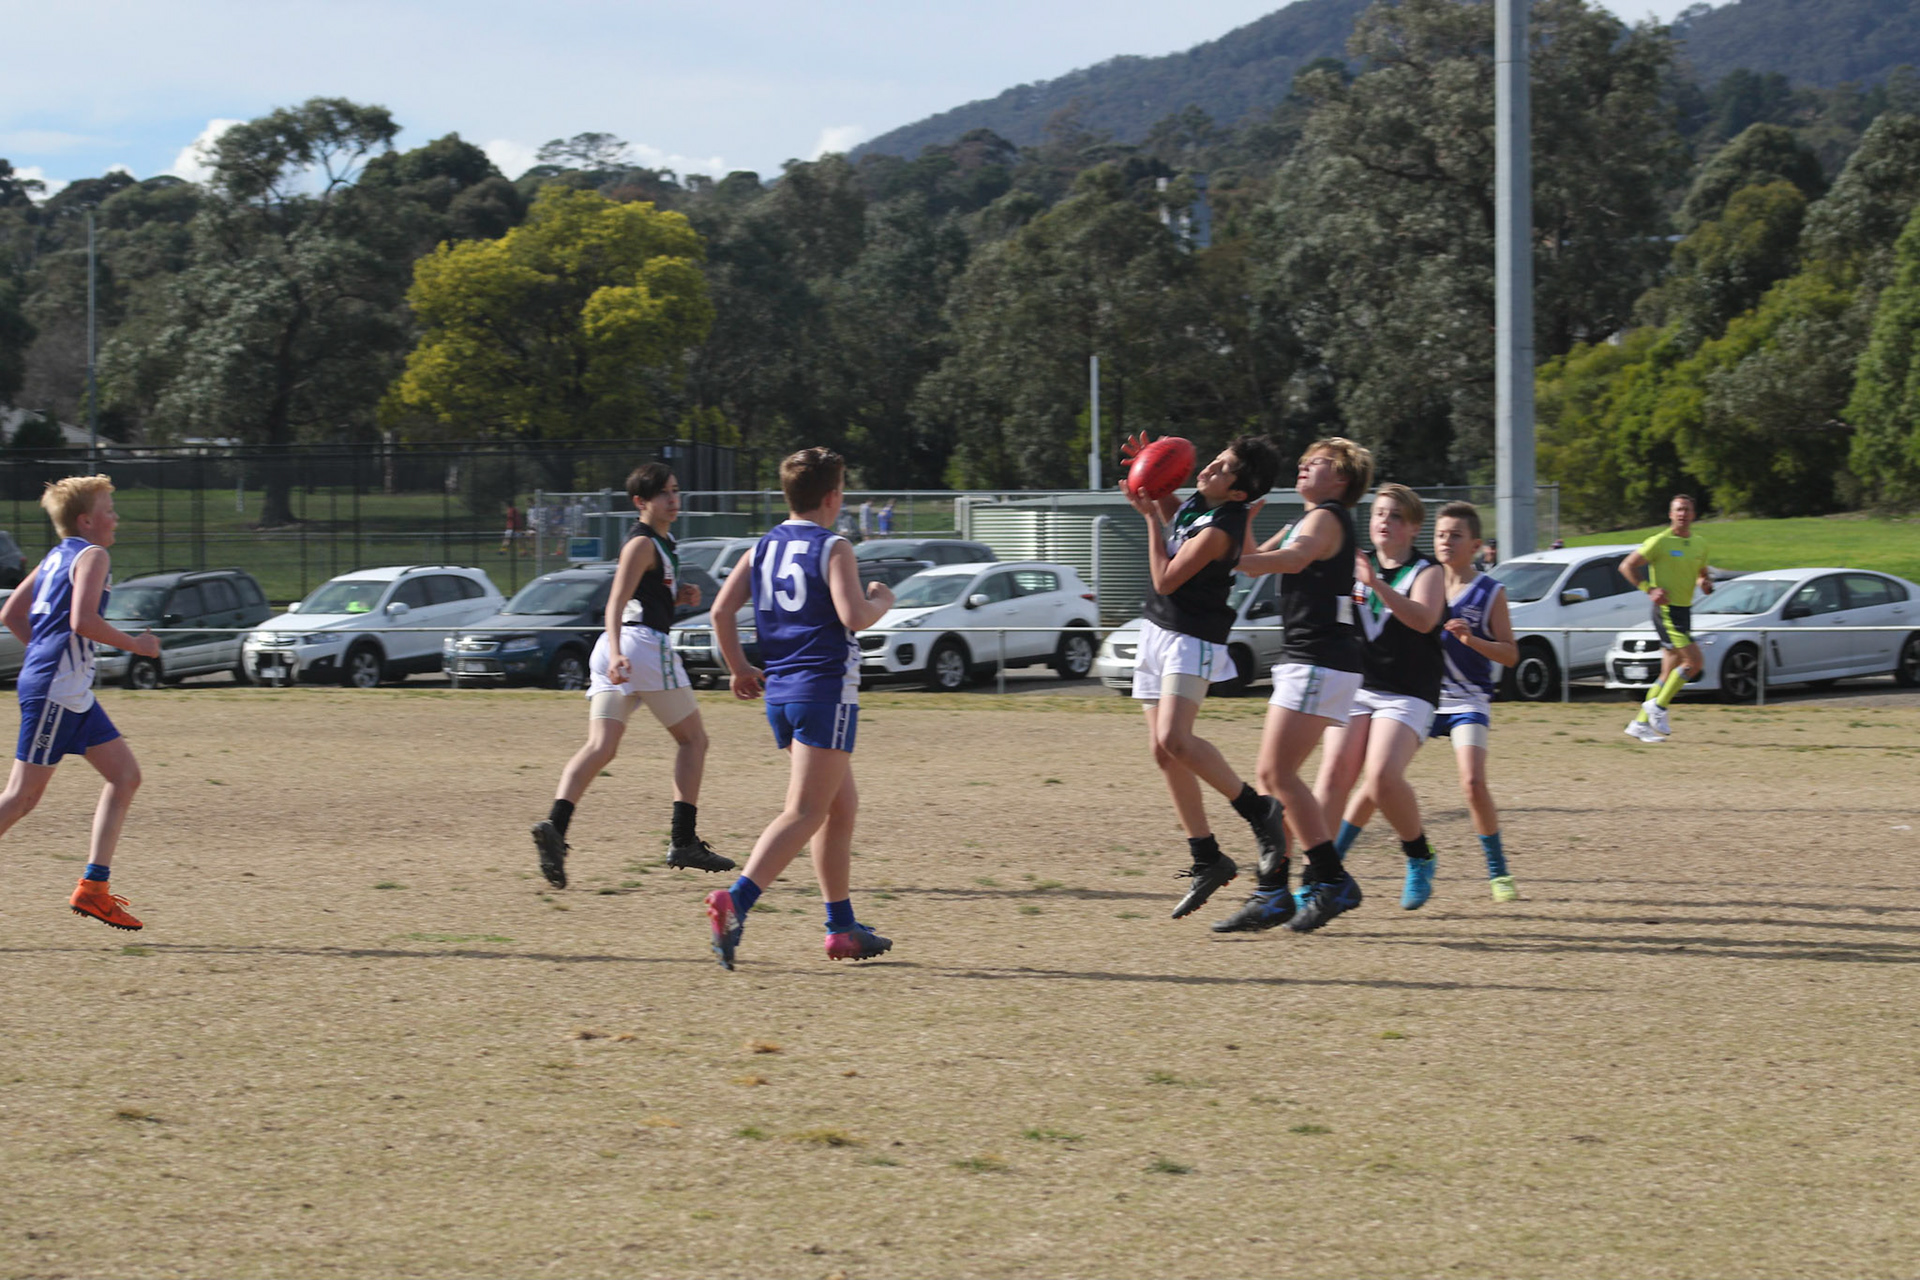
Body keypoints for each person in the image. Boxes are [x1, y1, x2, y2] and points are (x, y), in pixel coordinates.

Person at [702, 447, 896, 970]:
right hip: (824, 691)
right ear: (833, 497)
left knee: (839, 807)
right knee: (806, 811)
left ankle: (842, 929)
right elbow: (853, 616)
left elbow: (720, 612)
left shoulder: (762, 547)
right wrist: (883, 601)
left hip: (783, 694)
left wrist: (739, 668)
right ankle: (736, 901)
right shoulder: (834, 546)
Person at [530, 464, 734, 889]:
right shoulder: (641, 544)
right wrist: (620, 651)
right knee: (694, 741)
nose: (673, 500)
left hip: (620, 648)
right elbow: (616, 601)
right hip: (637, 646)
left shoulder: (662, 542)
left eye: (675, 491)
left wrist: (677, 596)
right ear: (640, 502)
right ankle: (683, 840)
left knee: (601, 747)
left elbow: (644, 597)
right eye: (663, 494)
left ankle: (555, 826)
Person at [1119, 433, 1287, 921]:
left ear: (1238, 493)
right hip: (1157, 629)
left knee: (1176, 739)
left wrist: (1149, 519)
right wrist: (1152, 474)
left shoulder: (1223, 527)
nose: (1210, 469)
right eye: (1215, 460)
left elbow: (1166, 578)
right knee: (1162, 751)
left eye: (1223, 468)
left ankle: (1258, 809)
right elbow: (1175, 513)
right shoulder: (1202, 501)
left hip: (1191, 638)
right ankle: (1207, 857)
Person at [1218, 437, 1374, 934]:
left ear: (1342, 478)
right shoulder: (1307, 520)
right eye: (1304, 461)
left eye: (1318, 463)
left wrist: (1229, 555)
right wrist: (1241, 524)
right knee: (1271, 781)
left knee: (1276, 774)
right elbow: (1252, 559)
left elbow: (1291, 559)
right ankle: (1274, 891)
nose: (1304, 466)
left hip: (1319, 660)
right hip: (1308, 659)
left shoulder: (1326, 517)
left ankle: (1330, 879)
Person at [1332, 501, 1522, 903]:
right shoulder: (1417, 578)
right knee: (1376, 783)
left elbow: (1510, 655)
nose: (1446, 542)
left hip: (1465, 700)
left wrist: (1473, 640)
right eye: (1440, 534)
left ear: (1476, 546)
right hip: (1418, 696)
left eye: (1456, 536)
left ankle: (1498, 870)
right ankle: (1333, 861)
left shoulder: (1490, 592)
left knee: (1472, 783)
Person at [0, 476, 161, 930]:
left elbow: (11, 613)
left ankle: (93, 890)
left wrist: (46, 656)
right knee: (21, 798)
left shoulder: (57, 556)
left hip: (68, 691)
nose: (116, 518)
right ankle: (93, 889)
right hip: (56, 690)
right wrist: (138, 645)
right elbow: (83, 621)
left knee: (125, 777)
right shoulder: (93, 555)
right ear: (87, 521)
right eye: (109, 510)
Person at [1310, 484, 1447, 911]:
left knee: (1382, 777)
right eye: (1379, 514)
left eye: (1396, 516)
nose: (1385, 521)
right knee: (1333, 772)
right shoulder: (1354, 563)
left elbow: (1424, 620)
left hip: (1408, 691)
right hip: (1358, 686)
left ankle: (1419, 855)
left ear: (1414, 527)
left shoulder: (1427, 571)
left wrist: (1378, 586)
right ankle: (1319, 876)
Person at [1619, 494, 1713, 743]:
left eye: (1687, 509)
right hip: (1667, 611)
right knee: (1695, 662)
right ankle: (1658, 707)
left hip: (1685, 610)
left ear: (1693, 514)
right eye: (1678, 509)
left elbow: (1701, 573)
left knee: (1668, 672)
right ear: (1671, 514)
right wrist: (1649, 589)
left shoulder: (1700, 544)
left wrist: (1704, 582)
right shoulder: (1659, 541)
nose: (1683, 514)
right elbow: (1627, 566)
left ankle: (1639, 725)